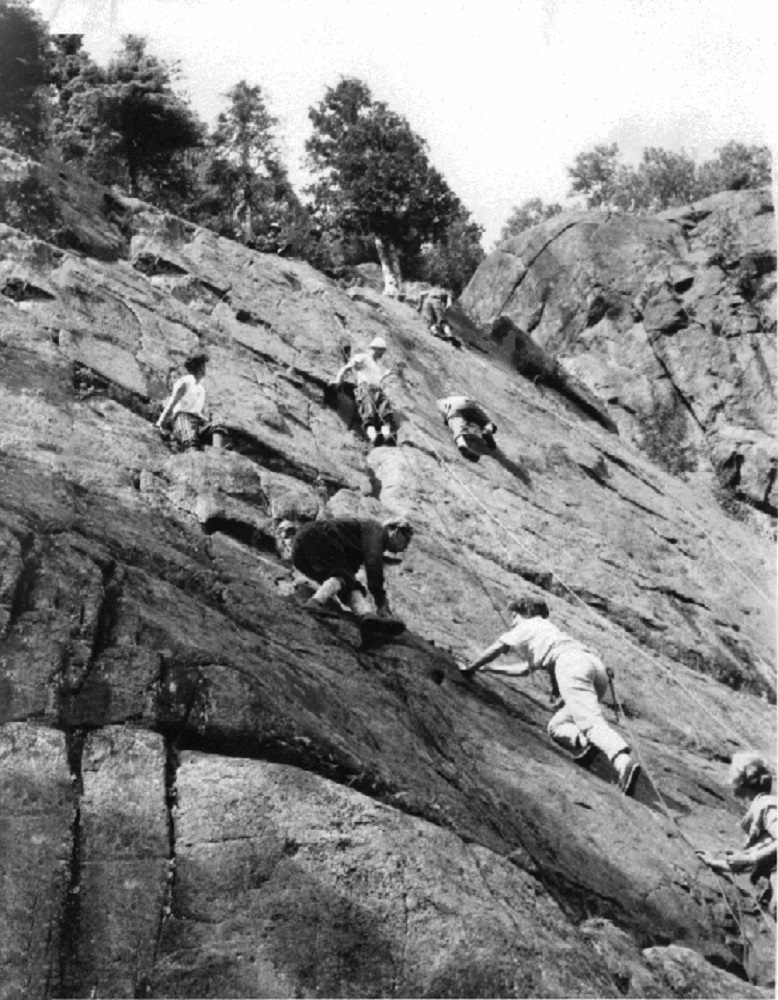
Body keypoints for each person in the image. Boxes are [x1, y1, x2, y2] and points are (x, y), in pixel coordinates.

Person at [460, 597, 641, 796]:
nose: (512, 622)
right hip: (593, 666)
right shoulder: (548, 629)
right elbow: (524, 670)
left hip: (570, 664)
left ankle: (622, 761)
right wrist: (491, 669)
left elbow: (496, 648)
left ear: (526, 613)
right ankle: (584, 742)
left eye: (514, 616)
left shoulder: (527, 625)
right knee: (556, 726)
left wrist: (471, 668)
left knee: (590, 721)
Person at [697, 753, 776, 917]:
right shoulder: (762, 807)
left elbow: (755, 858)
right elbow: (763, 856)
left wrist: (749, 859)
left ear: (740, 782)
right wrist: (719, 863)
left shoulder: (766, 806)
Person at [292, 516, 413, 623]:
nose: (405, 548)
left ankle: (367, 616)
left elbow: (349, 574)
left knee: (348, 581)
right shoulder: (377, 531)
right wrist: (381, 603)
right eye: (406, 541)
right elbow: (374, 566)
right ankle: (315, 602)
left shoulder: (357, 542)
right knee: (343, 576)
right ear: (396, 532)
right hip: (319, 535)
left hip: (301, 550)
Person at [331, 337, 397, 446]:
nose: (382, 354)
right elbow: (347, 367)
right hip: (365, 387)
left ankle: (386, 435)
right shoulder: (363, 357)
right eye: (382, 351)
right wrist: (338, 380)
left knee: (385, 411)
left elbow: (377, 380)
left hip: (378, 390)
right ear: (376, 348)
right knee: (368, 410)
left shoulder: (376, 366)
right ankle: (373, 437)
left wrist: (385, 375)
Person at [156, 353, 209, 450]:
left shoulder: (201, 388)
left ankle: (218, 453)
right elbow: (171, 404)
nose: (205, 368)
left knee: (217, 426)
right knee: (190, 439)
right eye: (203, 365)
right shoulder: (184, 382)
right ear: (199, 367)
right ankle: (193, 455)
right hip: (183, 416)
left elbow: (200, 411)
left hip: (198, 420)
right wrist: (160, 423)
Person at [437, 395, 497, 462]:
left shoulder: (442, 405)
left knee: (457, 430)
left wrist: (449, 422)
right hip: (468, 403)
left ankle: (463, 447)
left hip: (453, 410)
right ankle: (488, 429)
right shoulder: (455, 397)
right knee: (485, 421)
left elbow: (446, 422)